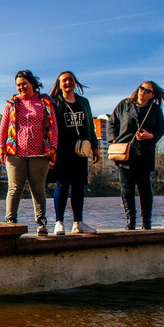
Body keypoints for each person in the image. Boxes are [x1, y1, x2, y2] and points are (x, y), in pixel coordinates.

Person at [0, 70, 58, 236]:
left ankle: (41, 223)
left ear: (32, 84)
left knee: (38, 189)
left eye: (24, 83)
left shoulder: (45, 102)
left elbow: (53, 126)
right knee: (14, 188)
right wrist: (0, 146)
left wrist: (53, 146)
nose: (21, 87)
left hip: (40, 152)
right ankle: (11, 222)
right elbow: (4, 126)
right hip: (15, 152)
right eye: (18, 85)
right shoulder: (12, 103)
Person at [108, 80, 164, 230]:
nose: (143, 91)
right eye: (141, 88)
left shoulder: (154, 109)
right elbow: (112, 122)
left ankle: (146, 221)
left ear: (152, 95)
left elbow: (161, 128)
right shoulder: (124, 104)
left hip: (144, 153)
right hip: (125, 152)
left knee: (144, 188)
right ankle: (130, 220)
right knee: (126, 188)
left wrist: (150, 136)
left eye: (147, 90)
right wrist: (114, 140)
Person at [48, 71, 100, 235]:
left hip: (81, 150)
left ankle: (78, 223)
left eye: (70, 79)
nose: (68, 82)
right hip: (62, 150)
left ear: (75, 82)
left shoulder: (83, 102)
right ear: (59, 84)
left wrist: (95, 146)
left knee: (78, 186)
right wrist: (50, 149)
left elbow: (90, 125)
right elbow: (49, 127)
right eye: (64, 80)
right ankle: (59, 222)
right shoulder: (55, 102)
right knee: (62, 185)